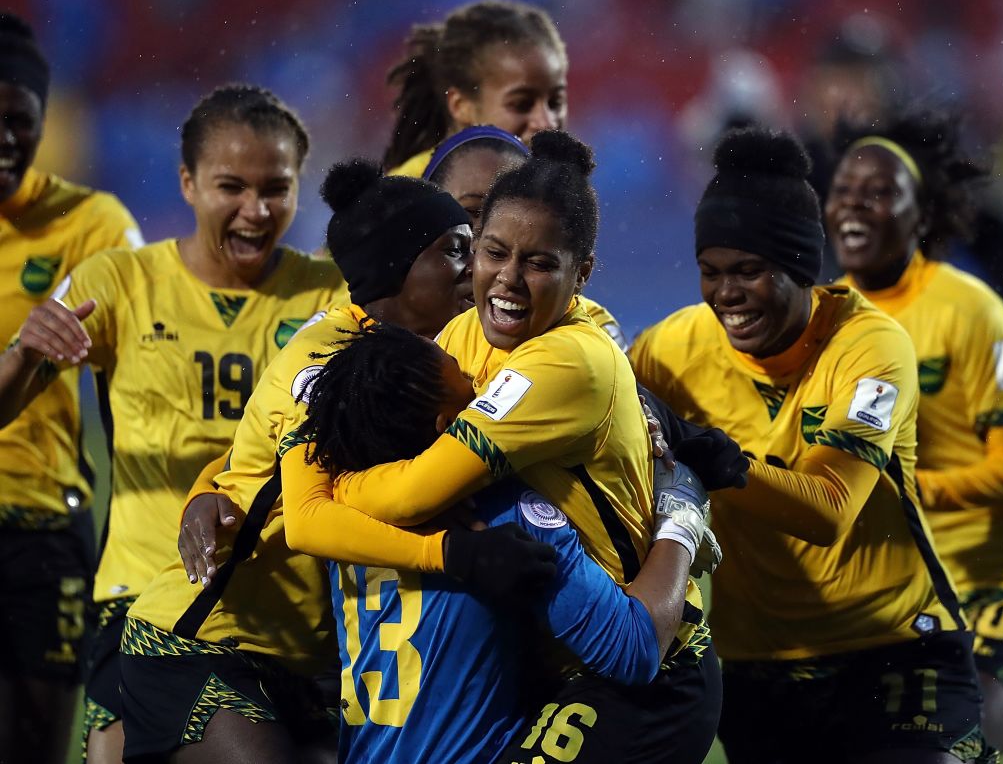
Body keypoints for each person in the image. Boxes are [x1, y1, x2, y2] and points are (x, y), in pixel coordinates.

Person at [124, 159, 555, 763]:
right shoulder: (326, 362)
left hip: (315, 664)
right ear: (398, 269)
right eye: (457, 250)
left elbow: (248, 456)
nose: (476, 270)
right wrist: (452, 555)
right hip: (211, 641)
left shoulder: (426, 351)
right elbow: (305, 518)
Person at [318, 130, 721, 764]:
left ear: (581, 272)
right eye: (494, 253)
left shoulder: (563, 366)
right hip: (563, 658)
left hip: (642, 667)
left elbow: (412, 489)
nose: (507, 280)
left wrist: (682, 516)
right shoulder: (459, 335)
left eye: (538, 262)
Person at [0, 83, 346, 763]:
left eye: (276, 187)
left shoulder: (330, 296)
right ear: (187, 183)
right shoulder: (119, 282)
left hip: (292, 622)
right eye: (231, 187)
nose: (256, 209)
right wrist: (24, 352)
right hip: (146, 604)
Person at [630, 127, 989, 764]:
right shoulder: (668, 351)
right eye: (710, 273)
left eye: (749, 271)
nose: (726, 296)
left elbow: (825, 509)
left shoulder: (870, 348)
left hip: (897, 649)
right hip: (756, 669)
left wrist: (701, 448)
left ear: (801, 267)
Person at [292, 320, 709, 763]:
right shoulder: (500, 514)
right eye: (465, 378)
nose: (479, 383)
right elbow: (633, 650)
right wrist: (681, 513)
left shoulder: (342, 509)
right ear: (446, 425)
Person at [827, 111, 1003, 753]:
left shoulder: (974, 310)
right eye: (844, 193)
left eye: (877, 195)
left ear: (922, 214)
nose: (854, 209)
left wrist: (911, 494)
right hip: (900, 597)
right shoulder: (824, 318)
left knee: (950, 748)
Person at [0, 11, 142, 764]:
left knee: (36, 745)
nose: (3, 140)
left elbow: (148, 364)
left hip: (41, 526)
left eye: (19, 121)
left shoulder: (90, 224)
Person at [424, 124, 628, 348]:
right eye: (471, 214)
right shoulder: (387, 304)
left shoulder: (586, 338)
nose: (508, 276)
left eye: (539, 263)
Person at [383, 0, 566, 177]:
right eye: (521, 104)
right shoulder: (407, 195)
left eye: (555, 103)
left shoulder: (553, 188)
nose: (547, 123)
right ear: (460, 106)